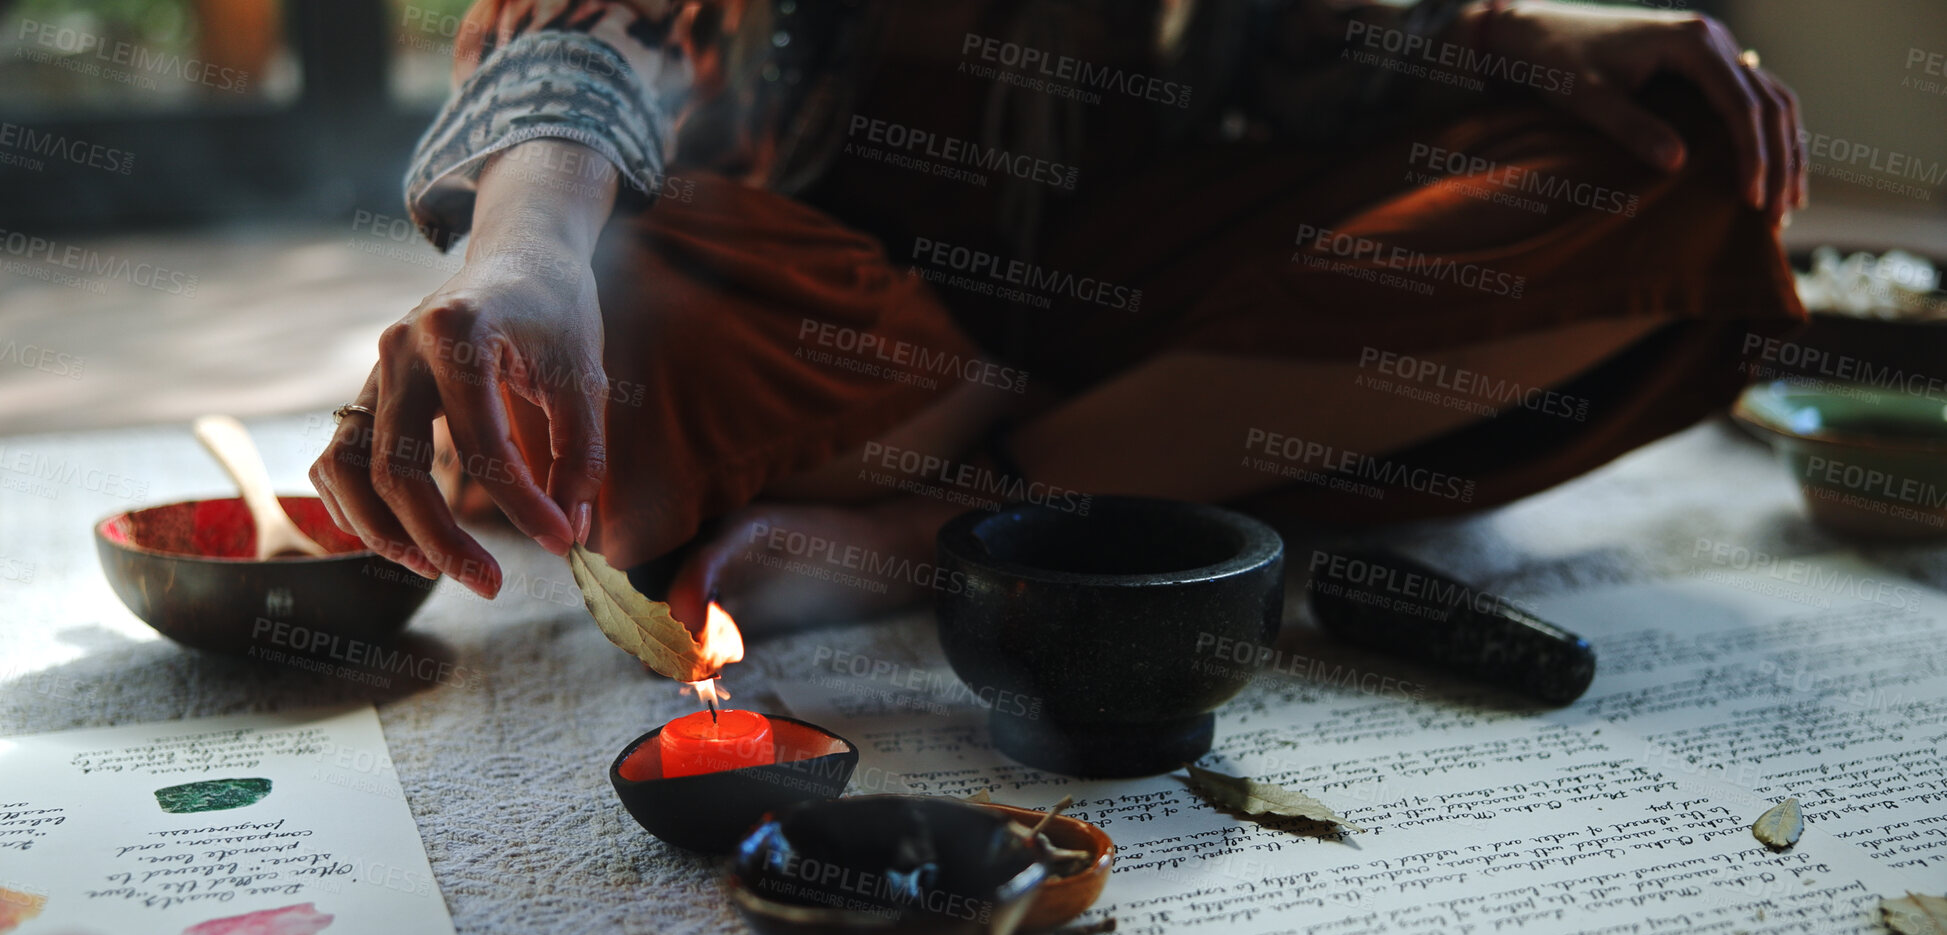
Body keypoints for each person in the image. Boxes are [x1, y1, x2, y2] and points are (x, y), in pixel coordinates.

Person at [311, 0, 1807, 637]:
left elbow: (1299, 47)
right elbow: (587, 39)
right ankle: (1129, 495)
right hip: (816, 326)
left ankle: (958, 526)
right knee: (617, 321)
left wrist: (1511, 33)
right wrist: (522, 249)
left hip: (1117, 321)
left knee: (1673, 182)